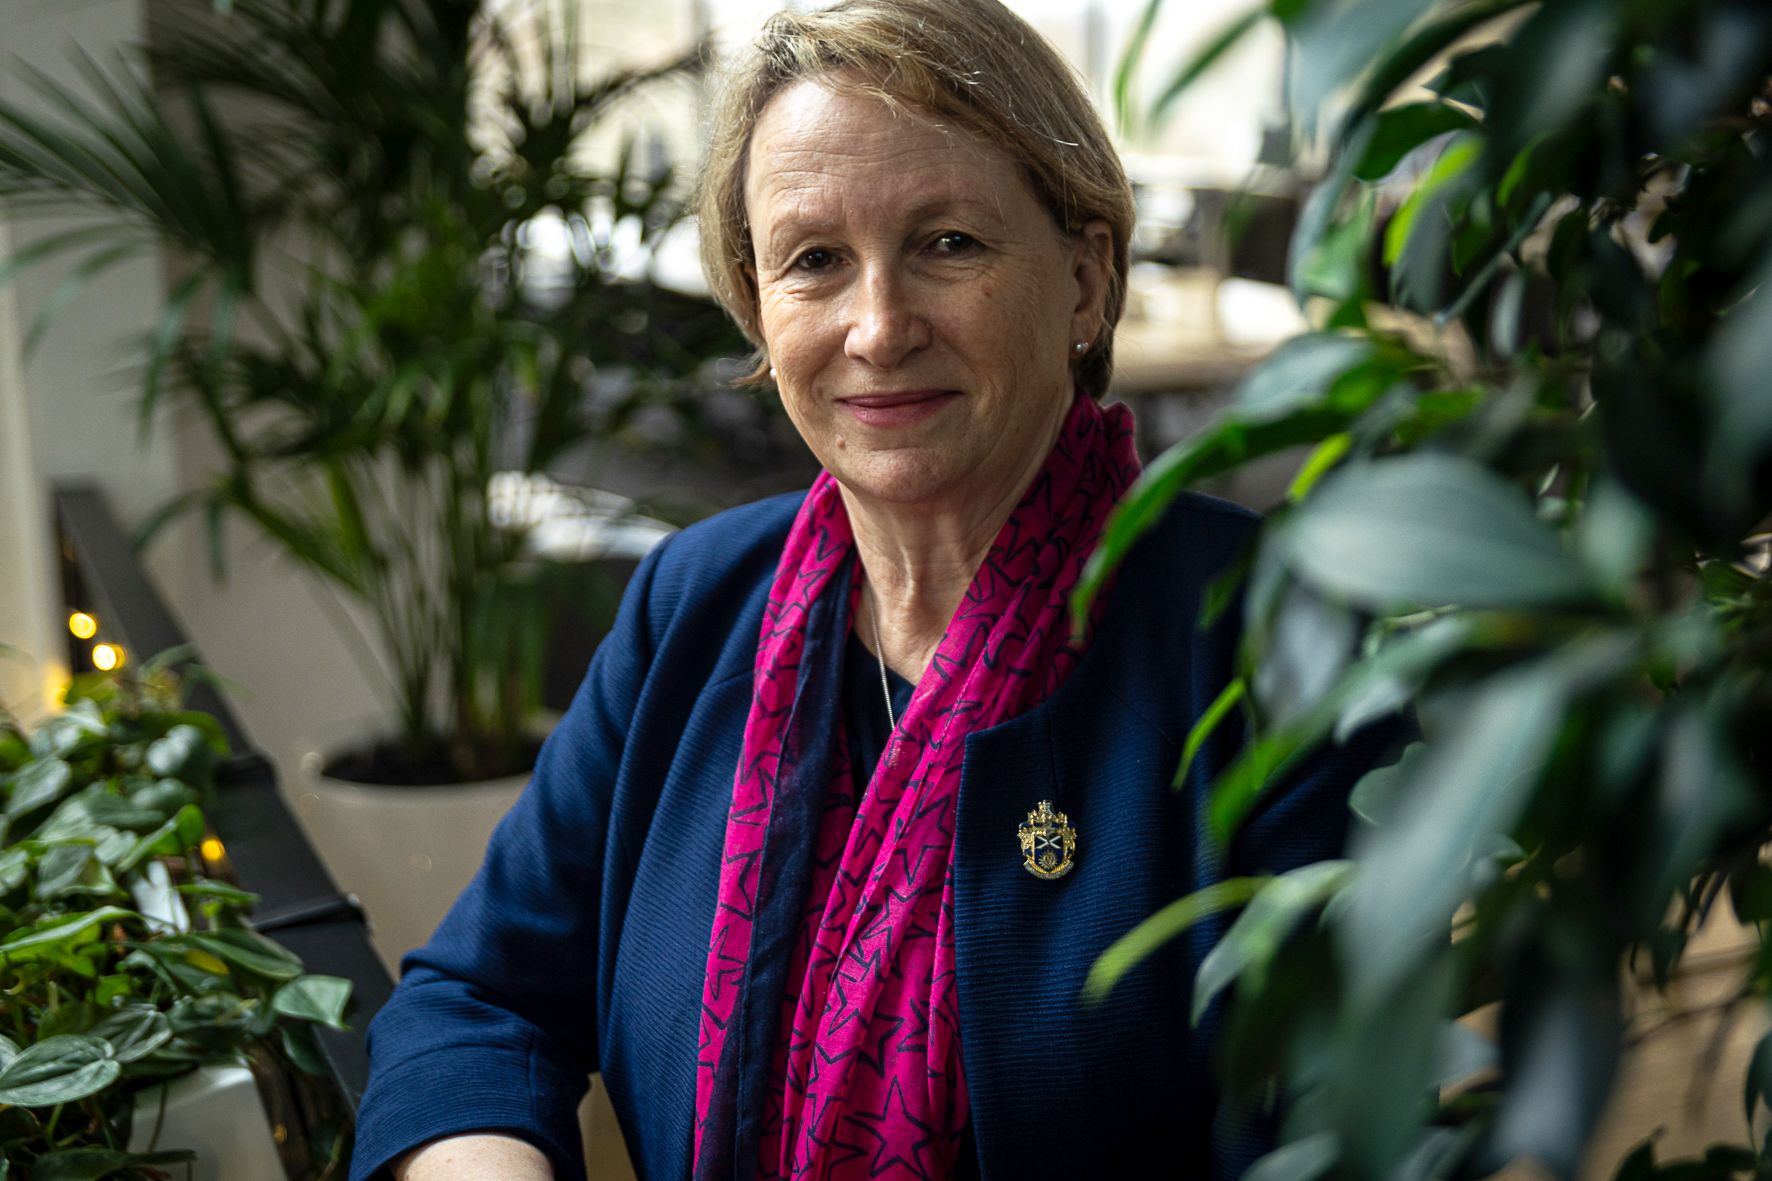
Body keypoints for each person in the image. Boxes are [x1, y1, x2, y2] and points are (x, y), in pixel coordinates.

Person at [350, 2, 1399, 1178]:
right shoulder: (692, 605)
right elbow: (478, 996)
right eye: (812, 261)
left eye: (948, 242)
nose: (877, 325)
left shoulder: (1266, 640)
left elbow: (1333, 1132)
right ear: (757, 310)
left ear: (1085, 277)